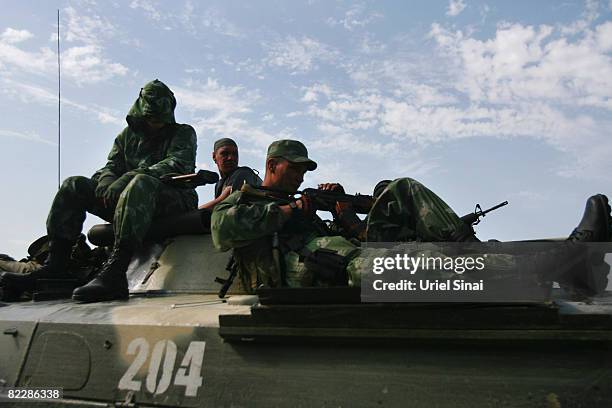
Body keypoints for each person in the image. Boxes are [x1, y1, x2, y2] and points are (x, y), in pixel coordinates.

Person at [211, 139, 611, 295]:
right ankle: (562, 266)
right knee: (408, 265)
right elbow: (221, 228)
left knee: (399, 190)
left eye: (303, 169)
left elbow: (350, 236)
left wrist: (343, 211)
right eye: (294, 168)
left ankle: (544, 260)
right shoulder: (247, 198)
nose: (300, 175)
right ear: (271, 164)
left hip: (341, 254)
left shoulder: (304, 199)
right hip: (314, 268)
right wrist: (288, 209)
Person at [0, 79, 198, 302]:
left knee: (140, 182)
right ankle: (56, 267)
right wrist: (106, 181)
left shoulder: (183, 133)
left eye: (159, 119)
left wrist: (128, 178)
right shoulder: (127, 136)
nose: (155, 124)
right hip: (129, 200)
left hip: (173, 199)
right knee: (73, 185)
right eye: (151, 118)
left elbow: (177, 163)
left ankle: (116, 272)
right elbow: (112, 165)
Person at [199, 138, 262, 210]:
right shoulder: (220, 184)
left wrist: (191, 215)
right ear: (214, 156)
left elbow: (222, 203)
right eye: (224, 153)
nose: (230, 158)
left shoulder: (243, 173)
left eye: (235, 154)